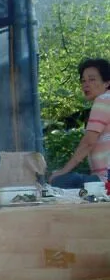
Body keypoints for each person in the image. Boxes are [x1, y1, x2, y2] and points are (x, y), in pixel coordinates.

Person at [49, 58, 110, 189]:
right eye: (83, 80)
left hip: (105, 182)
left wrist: (63, 171)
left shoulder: (103, 100)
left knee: (59, 181)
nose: (86, 84)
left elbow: (88, 143)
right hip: (103, 179)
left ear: (107, 83)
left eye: (92, 79)